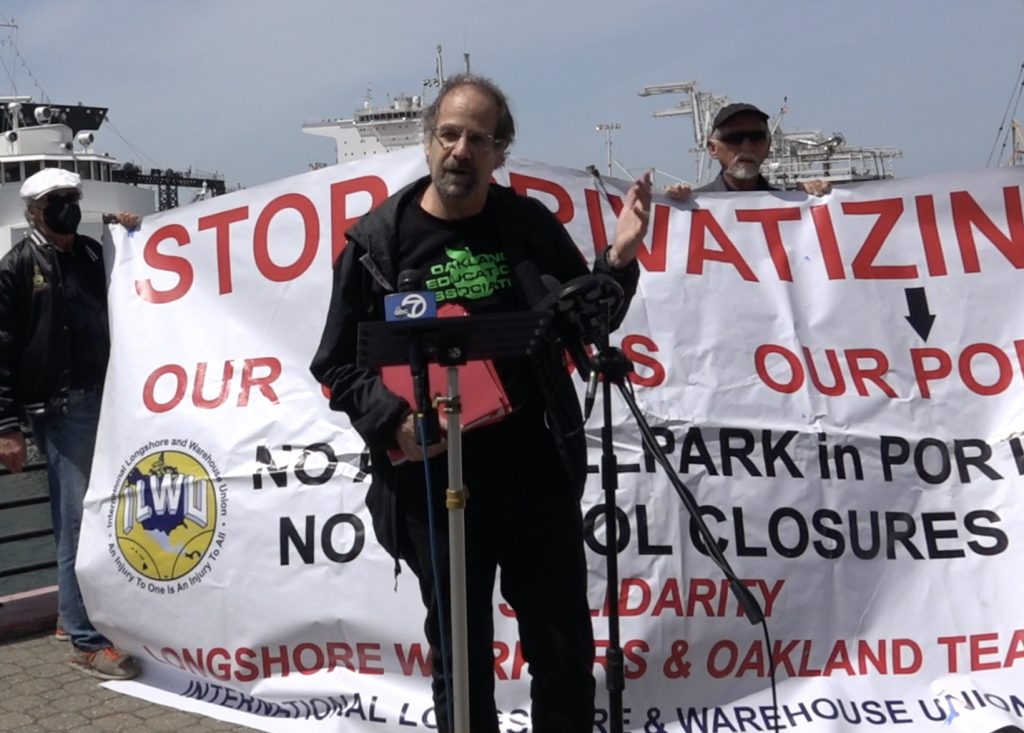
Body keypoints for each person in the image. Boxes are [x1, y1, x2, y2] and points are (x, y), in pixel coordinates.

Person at [310, 73, 651, 733]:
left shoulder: (526, 225)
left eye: (477, 138)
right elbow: (337, 363)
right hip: (432, 483)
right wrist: (395, 423)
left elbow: (585, 321)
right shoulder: (378, 243)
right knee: (460, 658)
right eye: (448, 134)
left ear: (500, 151)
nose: (460, 150)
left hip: (534, 473)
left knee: (561, 649)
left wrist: (618, 256)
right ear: (429, 140)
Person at [0, 168, 140, 680]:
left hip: (107, 398)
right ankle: (85, 640)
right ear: (34, 210)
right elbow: (4, 351)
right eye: (57, 200)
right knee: (81, 521)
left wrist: (122, 229)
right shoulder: (16, 266)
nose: (67, 207)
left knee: (79, 515)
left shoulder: (86, 253)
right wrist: (6, 427)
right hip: (59, 408)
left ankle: (68, 617)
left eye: (72, 199)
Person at [665, 101, 831, 198]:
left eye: (756, 137)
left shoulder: (796, 205)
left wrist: (818, 203)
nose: (746, 146)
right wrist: (670, 211)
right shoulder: (692, 207)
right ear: (713, 148)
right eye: (734, 138)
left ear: (768, 147)